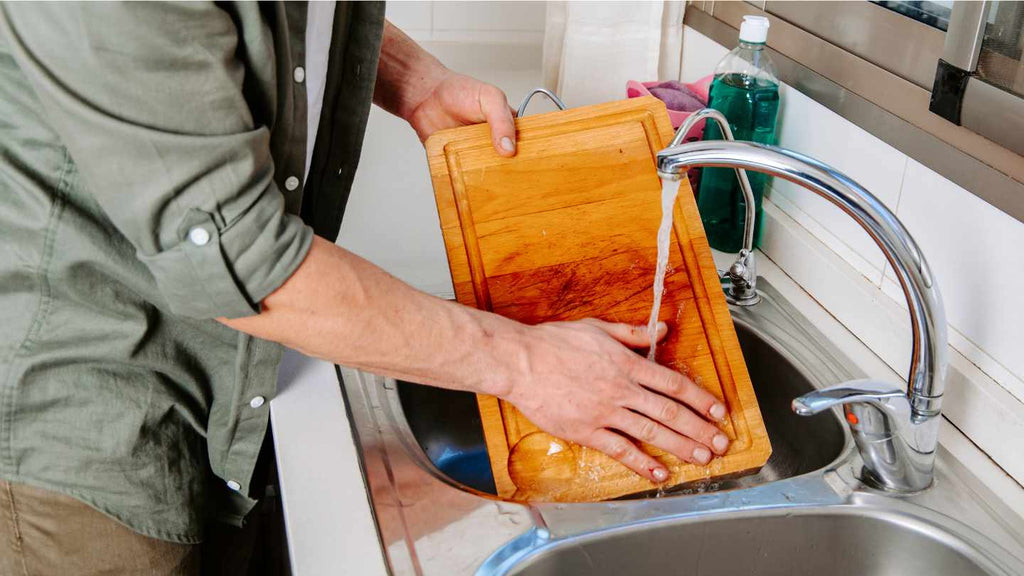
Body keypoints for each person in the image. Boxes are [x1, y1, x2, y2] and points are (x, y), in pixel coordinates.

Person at [0, 2, 729, 573]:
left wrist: (414, 82)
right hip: (80, 427)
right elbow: (242, 261)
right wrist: (527, 363)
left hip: (219, 390)